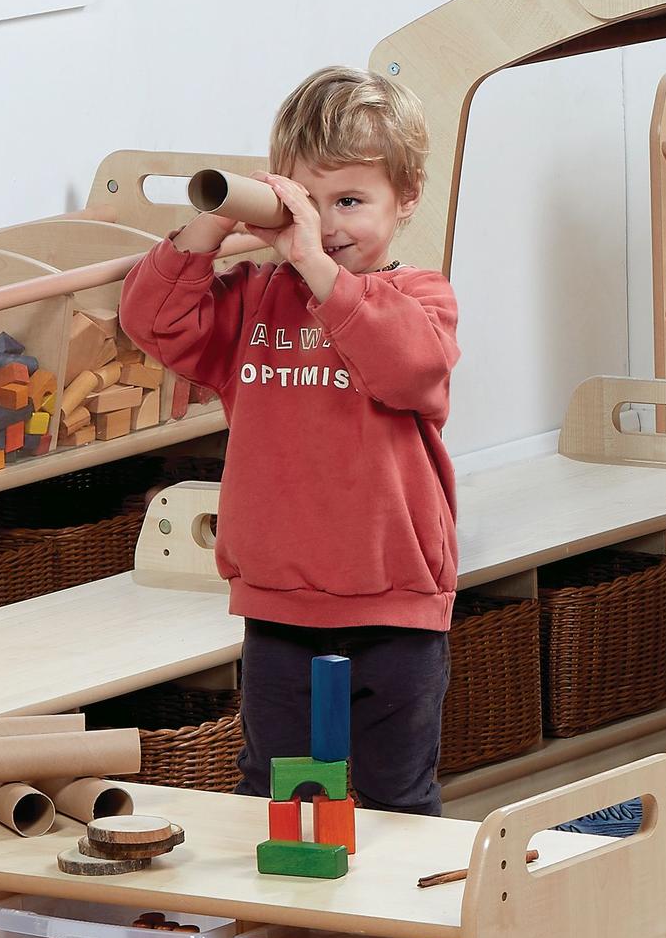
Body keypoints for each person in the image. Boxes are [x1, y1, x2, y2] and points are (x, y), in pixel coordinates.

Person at [119, 66, 460, 811]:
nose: (330, 225)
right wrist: (214, 226)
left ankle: (394, 928)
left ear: (405, 199)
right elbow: (152, 322)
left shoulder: (418, 299)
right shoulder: (253, 303)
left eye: (351, 201)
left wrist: (308, 260)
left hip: (394, 605)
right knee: (278, 795)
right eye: (312, 202)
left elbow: (409, 368)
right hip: (279, 606)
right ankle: (286, 924)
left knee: (394, 794)